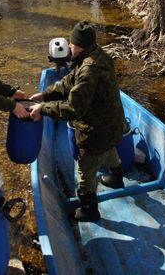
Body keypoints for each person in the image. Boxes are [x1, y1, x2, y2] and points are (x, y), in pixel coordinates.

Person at [30, 20, 126, 222]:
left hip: (97, 130)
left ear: (78, 44)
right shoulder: (97, 55)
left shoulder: (88, 69)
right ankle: (117, 177)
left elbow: (73, 108)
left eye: (71, 43)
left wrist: (43, 109)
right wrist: (46, 95)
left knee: (86, 171)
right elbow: (69, 82)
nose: (69, 46)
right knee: (109, 147)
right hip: (114, 123)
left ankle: (89, 210)